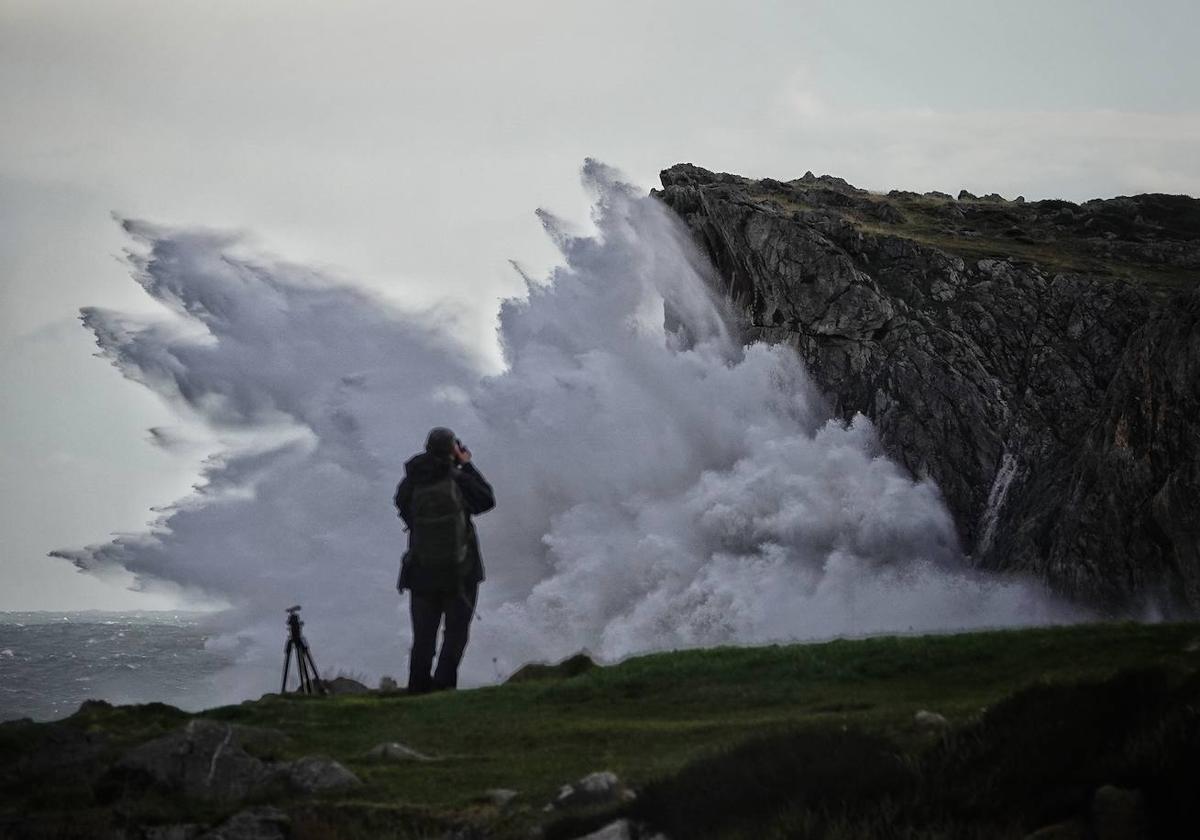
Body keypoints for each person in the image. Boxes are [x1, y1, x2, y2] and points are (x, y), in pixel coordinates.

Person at [394, 427, 495, 693]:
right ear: (453, 449)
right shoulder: (459, 479)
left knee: (424, 636)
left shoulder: (412, 481)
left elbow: (402, 509)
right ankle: (443, 686)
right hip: (461, 571)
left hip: (421, 571)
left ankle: (417, 687)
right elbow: (486, 500)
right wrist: (467, 464)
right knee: (455, 634)